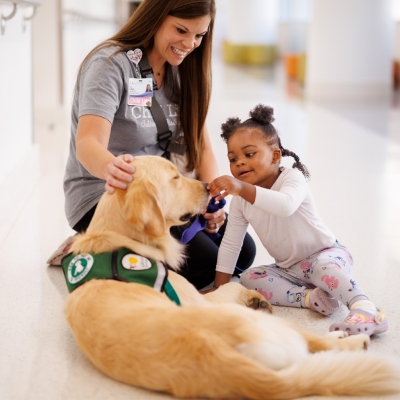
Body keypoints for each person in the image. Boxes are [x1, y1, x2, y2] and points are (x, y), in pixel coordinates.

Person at [60, 0, 256, 291]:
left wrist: (210, 200)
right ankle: (93, 239)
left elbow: (200, 145)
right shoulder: (109, 64)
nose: (189, 43)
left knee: (243, 251)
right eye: (181, 30)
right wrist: (110, 167)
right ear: (156, 17)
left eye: (199, 35)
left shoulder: (183, 70)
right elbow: (88, 141)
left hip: (162, 190)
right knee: (206, 267)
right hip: (106, 193)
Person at [207, 104, 388, 335]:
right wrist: (219, 289)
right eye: (233, 159)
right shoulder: (241, 201)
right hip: (290, 269)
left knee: (323, 268)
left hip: (326, 254)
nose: (239, 162)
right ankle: (312, 298)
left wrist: (241, 187)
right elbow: (231, 245)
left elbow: (284, 205)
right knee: (249, 277)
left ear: (275, 155)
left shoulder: (292, 178)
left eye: (249, 154)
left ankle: (365, 308)